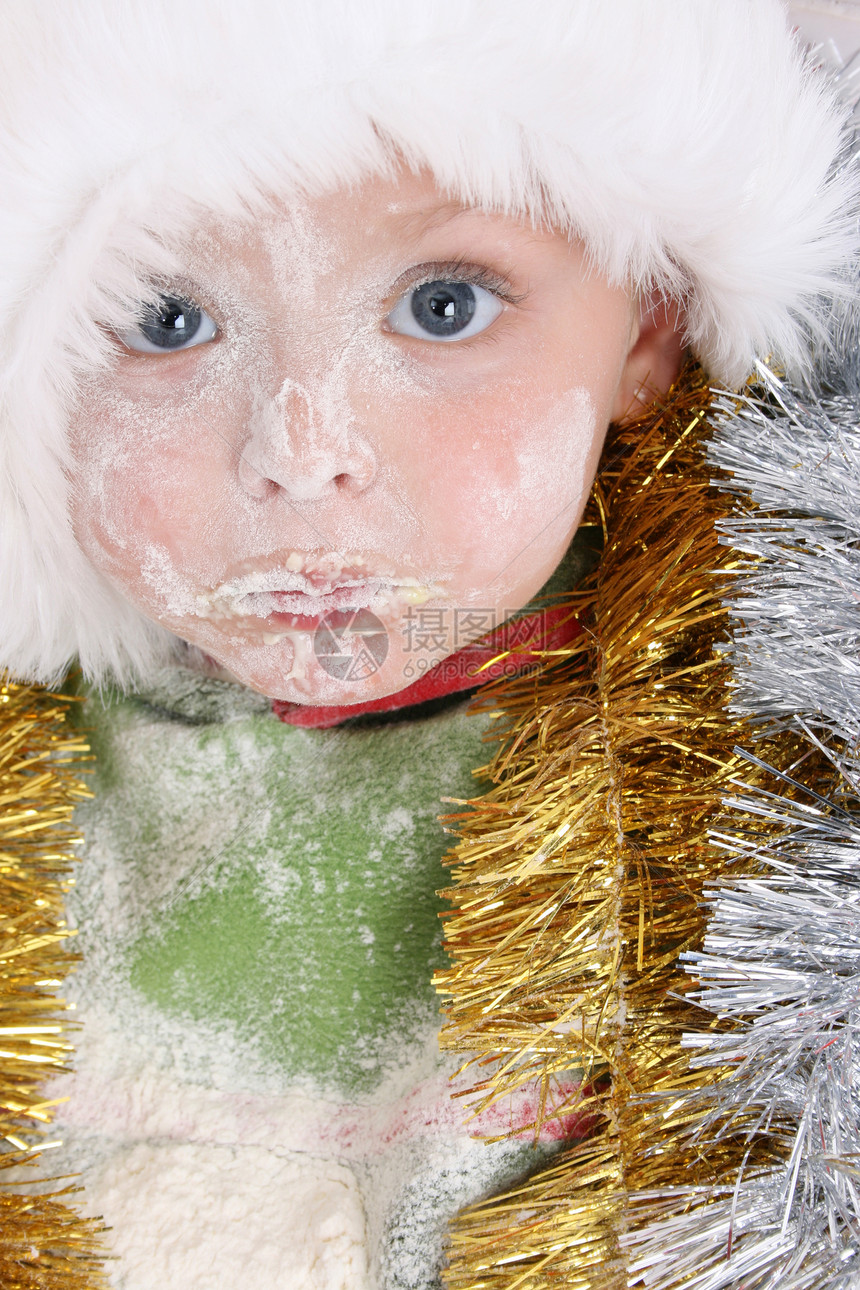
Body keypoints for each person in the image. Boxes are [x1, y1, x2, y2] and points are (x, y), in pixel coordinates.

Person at [0, 3, 855, 1287]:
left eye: (443, 305)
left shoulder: (781, 765)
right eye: (165, 320)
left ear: (645, 330)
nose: (299, 456)